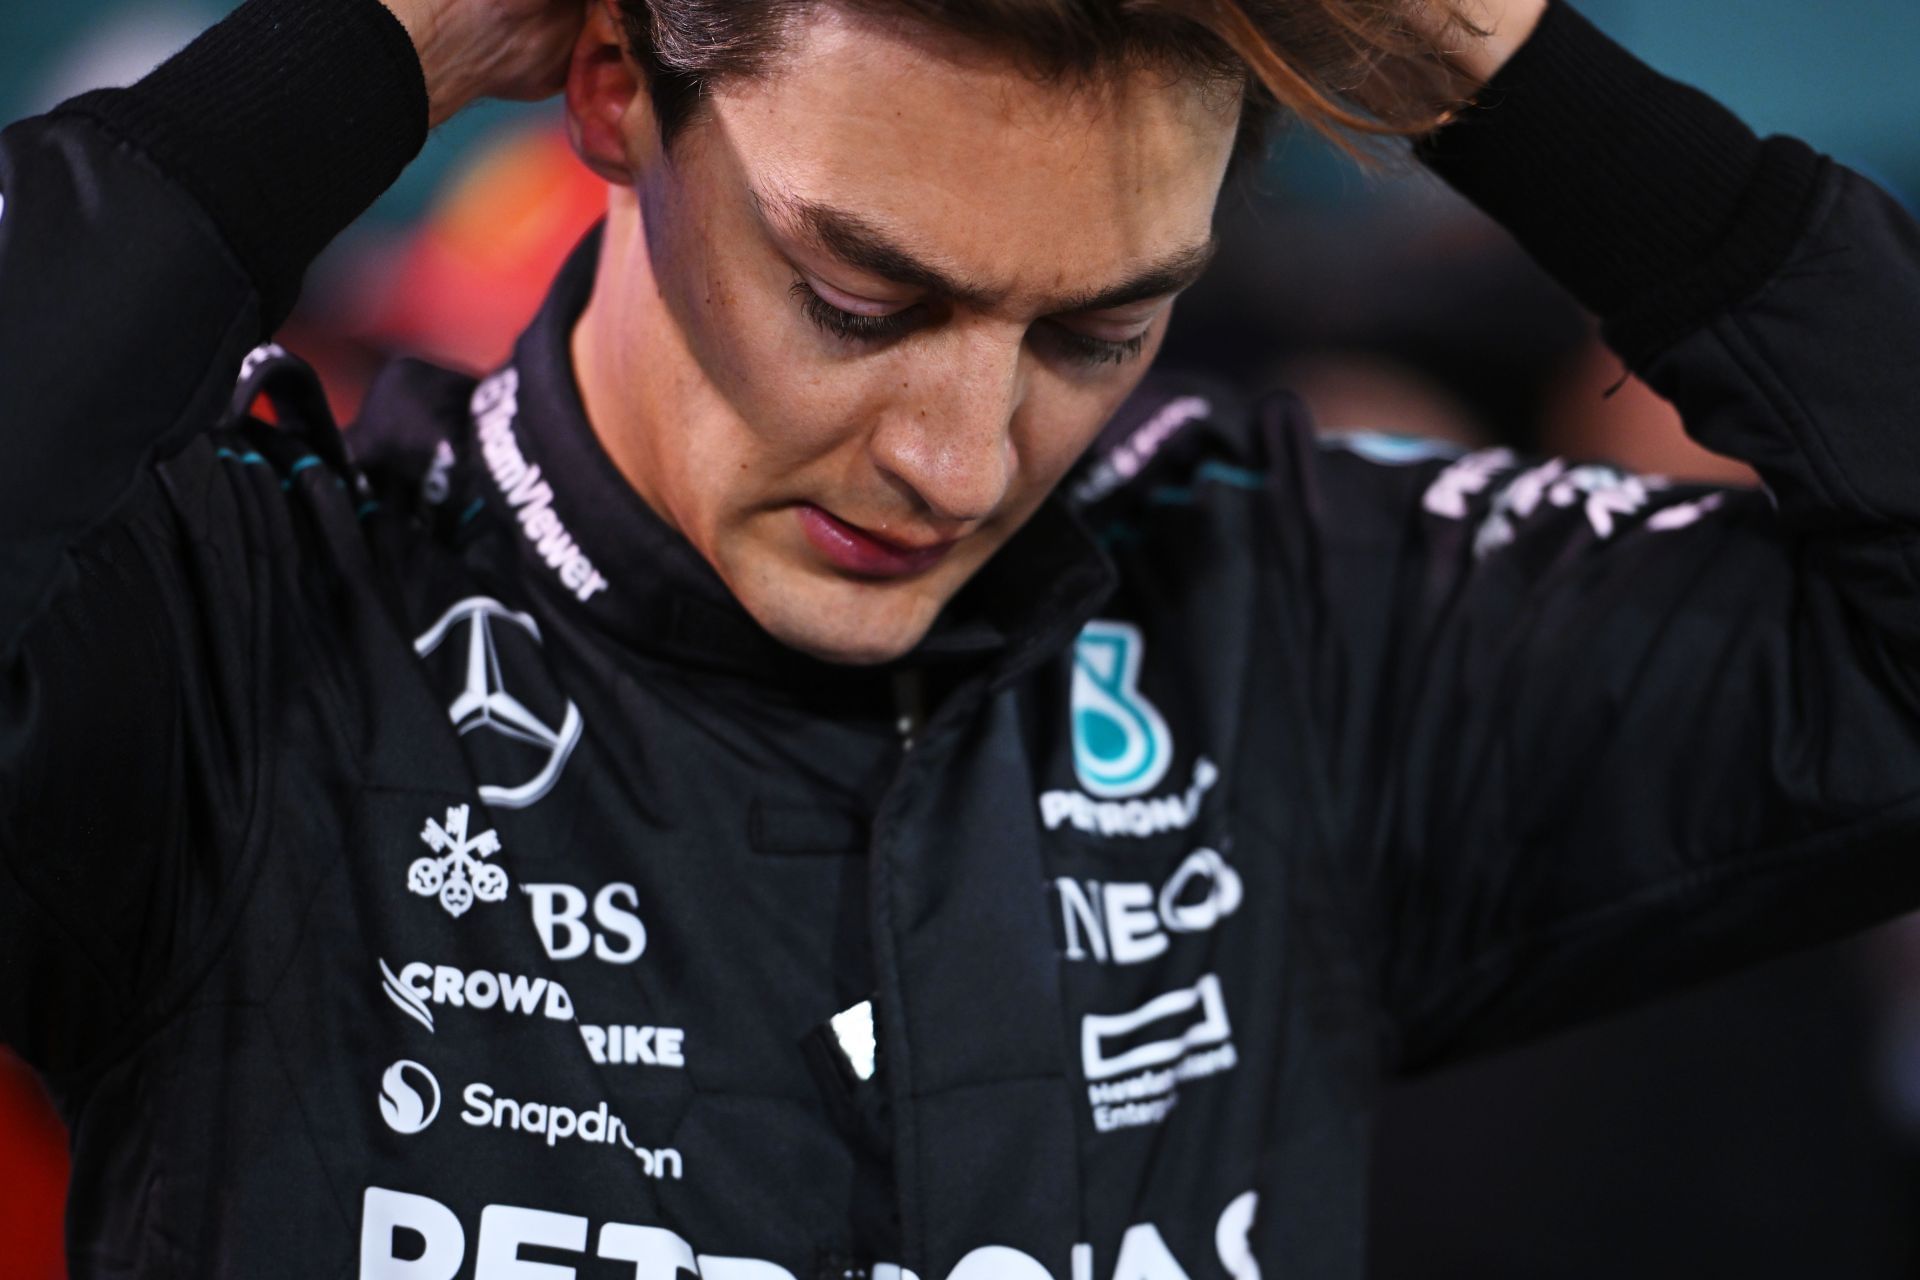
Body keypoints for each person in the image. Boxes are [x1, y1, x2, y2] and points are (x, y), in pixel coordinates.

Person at [2, 0, 1917, 1274]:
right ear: (610, 85)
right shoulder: (240, 628)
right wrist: (358, 52)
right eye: (856, 296)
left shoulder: (1304, 623)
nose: (956, 455)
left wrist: (1507, 71)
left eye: (1097, 330)